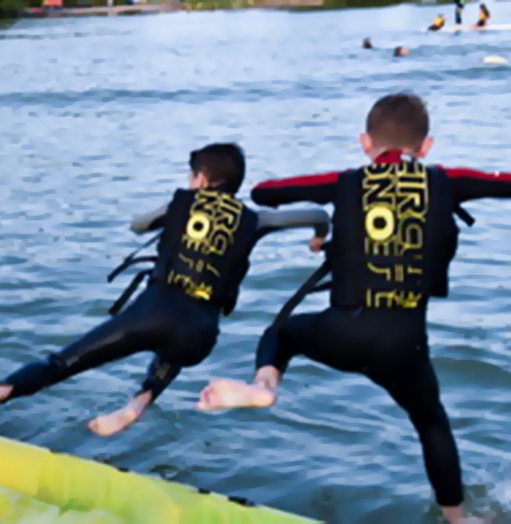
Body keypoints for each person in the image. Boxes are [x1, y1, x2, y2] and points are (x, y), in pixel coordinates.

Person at [196, 93, 511, 524]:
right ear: (427, 146)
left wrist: (335, 221)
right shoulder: (445, 180)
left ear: (366, 142)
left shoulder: (345, 182)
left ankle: (265, 387)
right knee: (431, 423)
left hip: (339, 330)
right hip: (404, 346)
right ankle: (458, 520)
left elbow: (266, 193)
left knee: (280, 334)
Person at [0, 143, 331, 436]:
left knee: (60, 364)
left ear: (201, 179)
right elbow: (315, 213)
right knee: (171, 356)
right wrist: (319, 236)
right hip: (200, 332)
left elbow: (138, 225)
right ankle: (137, 405)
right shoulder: (255, 219)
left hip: (152, 311)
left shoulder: (181, 203)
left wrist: (170, 216)